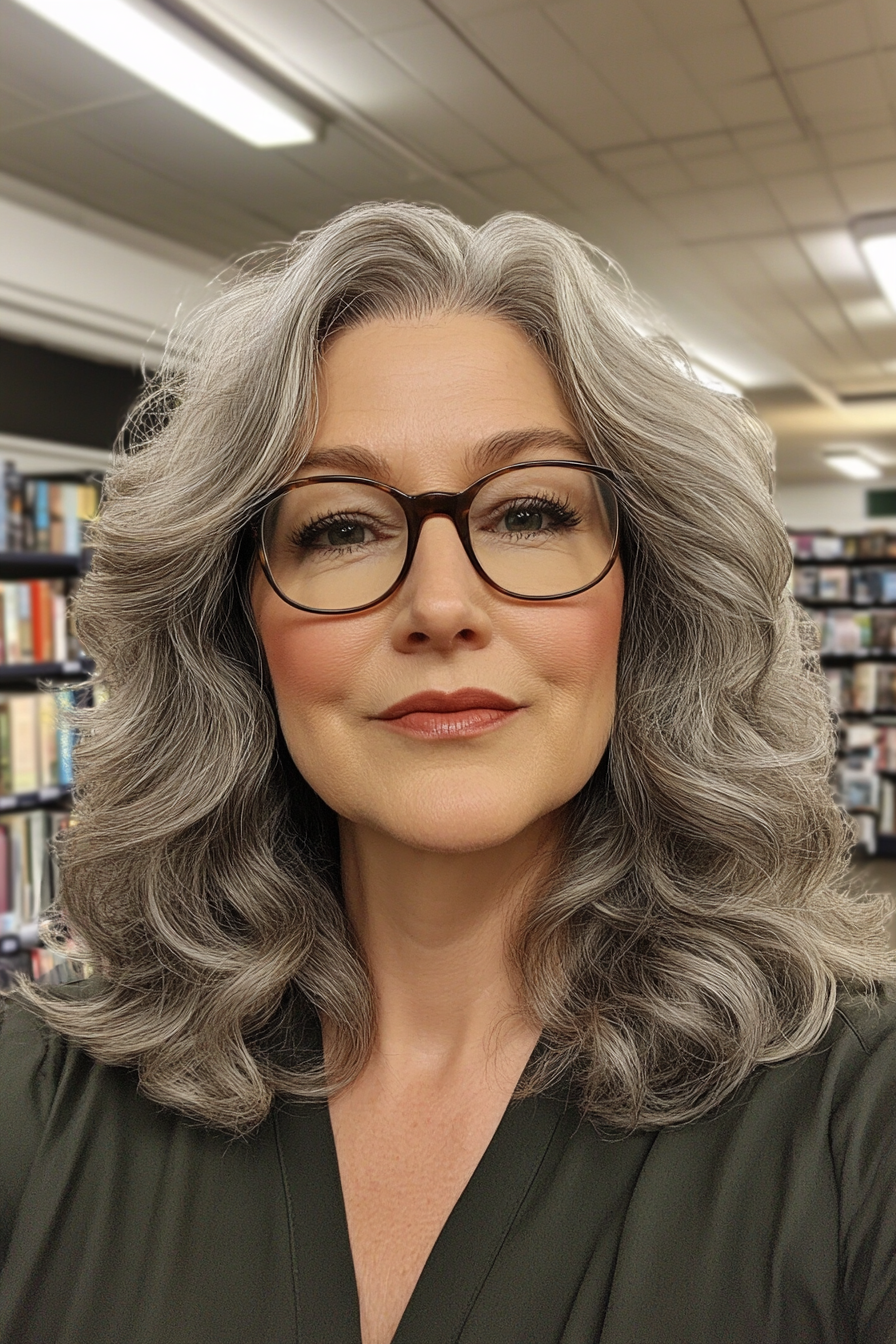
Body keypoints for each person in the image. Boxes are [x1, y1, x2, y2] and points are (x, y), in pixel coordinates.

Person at [0, 202, 893, 1344]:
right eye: (339, 529)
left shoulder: (854, 1124)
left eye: (527, 512)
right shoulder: (37, 1100)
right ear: (237, 624)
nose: (438, 607)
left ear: (647, 599)